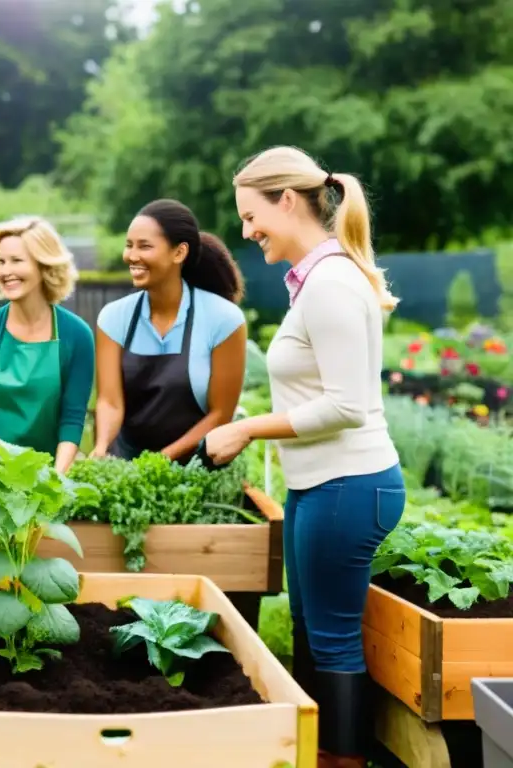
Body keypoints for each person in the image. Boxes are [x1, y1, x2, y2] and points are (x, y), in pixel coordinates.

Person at [205, 146, 405, 768]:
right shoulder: (319, 281)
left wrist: (247, 430)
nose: (246, 231)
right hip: (323, 485)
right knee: (314, 637)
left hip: (348, 485)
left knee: (333, 642)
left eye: (250, 215)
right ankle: (307, 752)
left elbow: (348, 405)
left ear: (286, 200)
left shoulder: (332, 284)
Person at [90, 199, 247, 463]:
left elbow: (220, 414)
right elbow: (110, 402)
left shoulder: (223, 319)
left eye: (145, 246)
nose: (132, 256)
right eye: (129, 245)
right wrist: (101, 446)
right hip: (126, 466)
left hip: (198, 468)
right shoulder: (114, 317)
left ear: (179, 253)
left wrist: (158, 463)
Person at [0, 216, 94, 475]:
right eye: (1, 262)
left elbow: (72, 418)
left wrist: (56, 478)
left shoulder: (77, 335)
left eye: (17, 261)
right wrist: (2, 454)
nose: (6, 271)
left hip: (44, 478)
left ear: (44, 266)